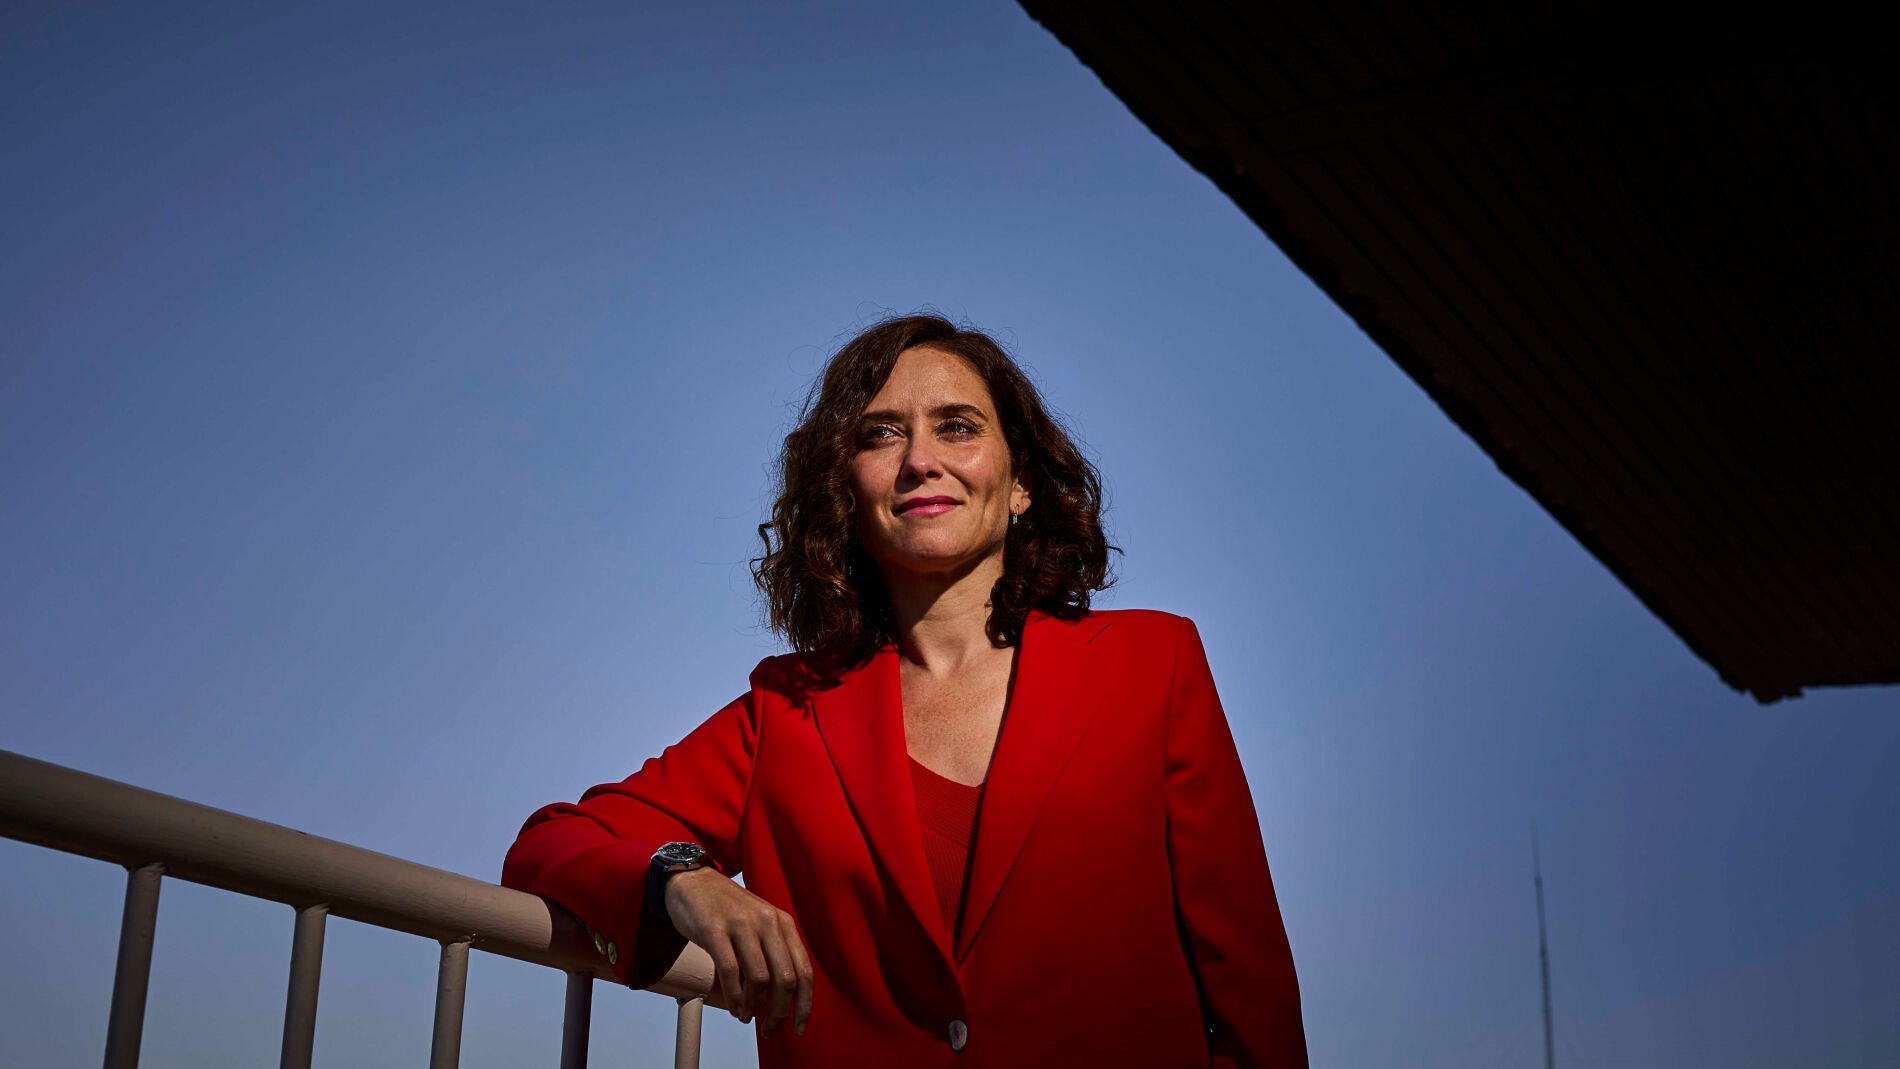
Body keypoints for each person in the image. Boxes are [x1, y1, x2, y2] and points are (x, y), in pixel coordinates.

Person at [503, 315, 1306, 1068]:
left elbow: (1248, 981)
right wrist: (684, 876)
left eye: (957, 426)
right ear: (846, 491)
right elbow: (552, 842)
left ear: (1021, 482)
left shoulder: (1155, 662)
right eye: (881, 434)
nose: (920, 458)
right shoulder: (785, 709)